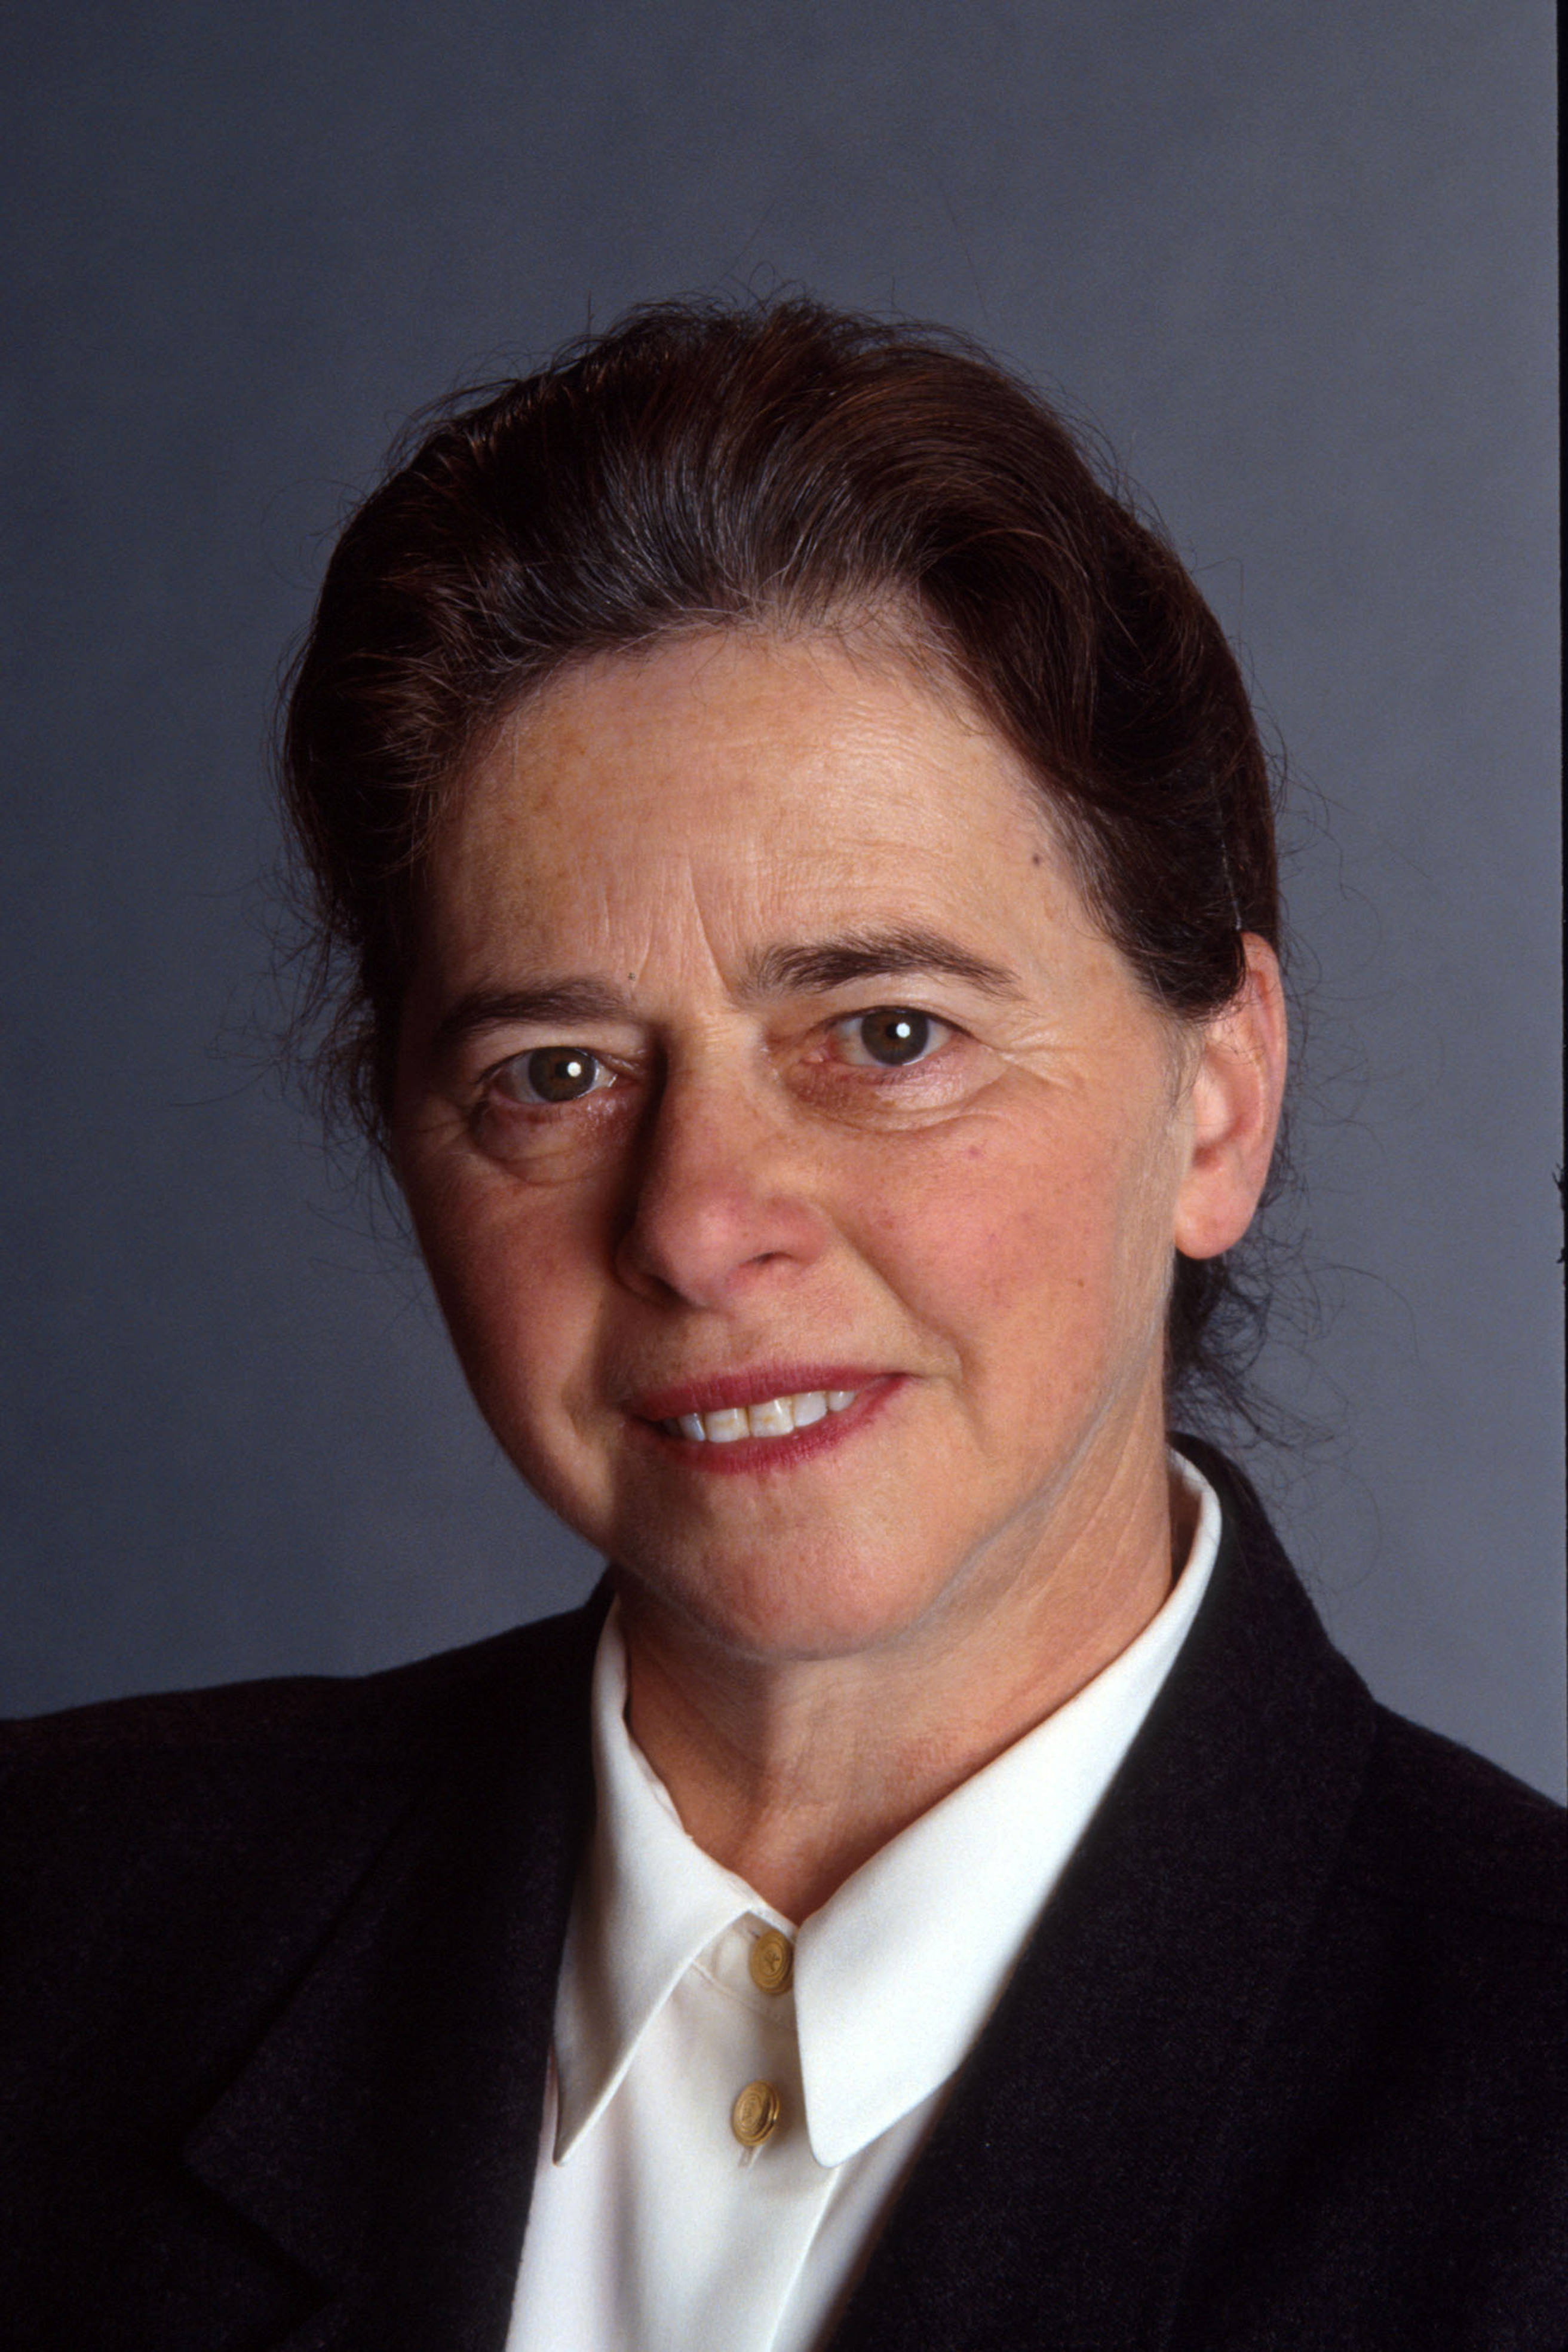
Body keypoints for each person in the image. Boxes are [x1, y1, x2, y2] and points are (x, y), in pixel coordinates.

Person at [1, 295, 1561, 2351]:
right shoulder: (48, 1937)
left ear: (1217, 1100)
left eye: (885, 1034)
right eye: (556, 1073)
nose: (699, 1223)